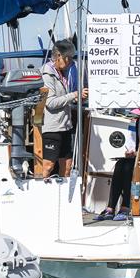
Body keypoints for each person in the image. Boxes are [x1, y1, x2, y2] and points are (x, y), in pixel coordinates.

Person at [40, 40, 88, 177]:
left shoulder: (62, 72)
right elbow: (51, 103)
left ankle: (62, 196)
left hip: (65, 127)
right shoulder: (47, 74)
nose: (71, 62)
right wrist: (74, 95)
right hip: (52, 128)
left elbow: (64, 98)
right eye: (69, 58)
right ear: (59, 56)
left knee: (67, 166)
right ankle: (43, 193)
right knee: (48, 166)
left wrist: (77, 98)